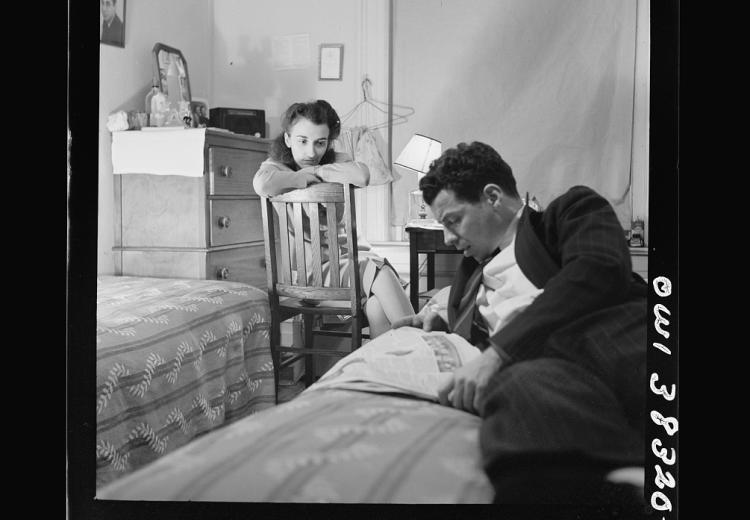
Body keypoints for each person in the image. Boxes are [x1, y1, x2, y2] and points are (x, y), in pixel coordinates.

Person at [392, 141, 647, 508]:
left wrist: (498, 354)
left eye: (453, 220)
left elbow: (598, 269)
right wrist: (441, 321)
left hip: (619, 347)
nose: (448, 239)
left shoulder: (566, 213)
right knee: (514, 394)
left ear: (492, 197)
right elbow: (478, 330)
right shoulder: (468, 280)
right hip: (548, 378)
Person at [253, 100, 415, 338]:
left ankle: (380, 369)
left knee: (376, 306)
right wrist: (301, 176)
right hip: (312, 272)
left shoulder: (335, 161)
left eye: (320, 143)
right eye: (302, 141)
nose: (311, 152)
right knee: (380, 271)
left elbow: (362, 175)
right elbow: (261, 184)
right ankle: (419, 342)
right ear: (287, 139)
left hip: (347, 262)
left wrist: (316, 171)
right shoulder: (275, 168)